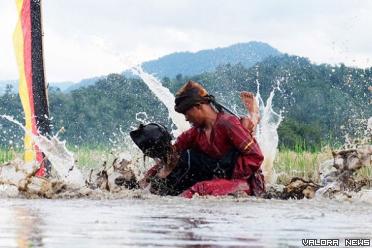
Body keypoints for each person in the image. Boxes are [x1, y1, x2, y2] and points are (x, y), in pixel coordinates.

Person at [137, 80, 265, 198]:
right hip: (219, 181)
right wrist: (147, 177)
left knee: (200, 188)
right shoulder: (195, 133)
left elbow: (256, 156)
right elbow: (172, 154)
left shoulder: (228, 123)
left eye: (186, 113)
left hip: (242, 183)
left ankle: (254, 116)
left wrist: (227, 174)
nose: (186, 118)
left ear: (198, 106)